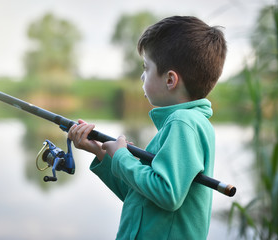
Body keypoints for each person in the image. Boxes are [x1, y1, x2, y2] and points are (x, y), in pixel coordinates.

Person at [68, 15, 227, 240]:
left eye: (147, 67)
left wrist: (123, 156)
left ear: (170, 80)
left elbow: (167, 194)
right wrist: (102, 153)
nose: (142, 75)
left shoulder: (183, 123)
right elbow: (140, 198)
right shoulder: (182, 123)